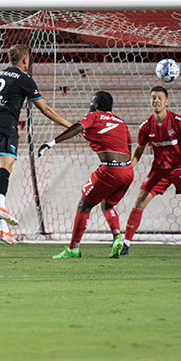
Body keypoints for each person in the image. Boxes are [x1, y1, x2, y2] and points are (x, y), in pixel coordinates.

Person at [0, 44, 72, 244]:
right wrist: (70, 125)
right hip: (6, 127)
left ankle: (3, 230)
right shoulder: (24, 79)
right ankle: (0, 207)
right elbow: (45, 109)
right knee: (5, 168)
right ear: (25, 60)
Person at [38, 91, 133, 259]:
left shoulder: (94, 116)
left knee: (84, 205)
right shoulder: (121, 121)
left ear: (95, 104)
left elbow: (77, 128)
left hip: (110, 170)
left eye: (91, 103)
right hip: (127, 171)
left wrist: (52, 142)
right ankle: (117, 237)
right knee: (108, 205)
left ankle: (73, 249)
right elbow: (129, 146)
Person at [121, 85, 181, 256]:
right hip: (159, 171)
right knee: (140, 200)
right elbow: (139, 150)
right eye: (153, 98)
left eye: (159, 98)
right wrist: (128, 166)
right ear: (150, 101)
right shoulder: (146, 126)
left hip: (180, 169)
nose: (156, 101)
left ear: (166, 102)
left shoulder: (179, 122)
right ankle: (125, 244)